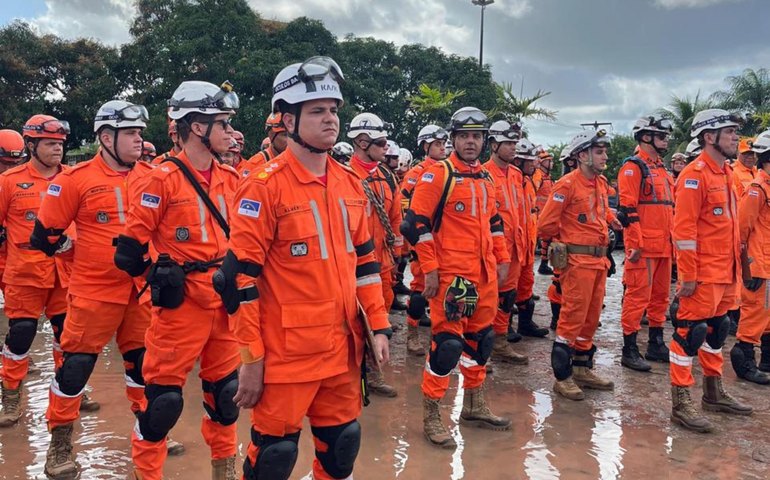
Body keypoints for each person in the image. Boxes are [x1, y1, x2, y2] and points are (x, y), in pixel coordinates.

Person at [216, 55, 390, 480]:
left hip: (343, 351)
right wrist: (250, 359)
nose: (330, 120)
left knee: (342, 448)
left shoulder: (351, 185)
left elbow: (365, 266)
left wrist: (380, 327)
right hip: (286, 357)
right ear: (287, 120)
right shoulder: (263, 187)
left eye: (333, 110)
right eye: (317, 111)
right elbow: (238, 282)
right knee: (273, 459)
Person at [114, 81, 241, 479]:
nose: (231, 132)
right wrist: (157, 282)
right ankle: (147, 474)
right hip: (181, 306)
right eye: (221, 123)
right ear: (196, 126)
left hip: (223, 302)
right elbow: (128, 252)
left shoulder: (232, 179)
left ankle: (223, 470)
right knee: (162, 404)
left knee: (225, 398)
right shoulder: (161, 178)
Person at [32, 101, 152, 477]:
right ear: (106, 137)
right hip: (93, 293)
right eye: (131, 133)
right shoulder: (74, 179)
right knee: (75, 368)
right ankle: (60, 444)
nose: (139, 140)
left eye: (140, 133)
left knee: (144, 366)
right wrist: (77, 252)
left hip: (140, 293)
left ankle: (149, 432)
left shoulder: (153, 176)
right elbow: (45, 236)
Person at [403, 106, 511, 448]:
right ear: (452, 139)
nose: (470, 142)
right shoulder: (439, 174)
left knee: (481, 343)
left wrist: (502, 258)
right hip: (454, 279)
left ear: (484, 140)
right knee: (447, 346)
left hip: (484, 275)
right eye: (464, 136)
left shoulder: (486, 178)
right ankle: (432, 413)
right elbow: (415, 224)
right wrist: (430, 269)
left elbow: (494, 222)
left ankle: (474, 405)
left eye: (476, 136)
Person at [669, 109, 752, 433]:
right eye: (729, 132)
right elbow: (684, 231)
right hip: (702, 274)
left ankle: (713, 392)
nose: (735, 137)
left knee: (717, 330)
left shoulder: (727, 174)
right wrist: (688, 276)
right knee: (689, 334)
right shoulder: (694, 175)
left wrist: (739, 268)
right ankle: (681, 402)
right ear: (709, 137)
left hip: (726, 272)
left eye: (734, 131)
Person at [0, 120, 74, 428]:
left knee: (67, 336)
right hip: (25, 274)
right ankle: (11, 394)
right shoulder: (9, 181)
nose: (57, 148)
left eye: (59, 143)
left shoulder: (73, 178)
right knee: (21, 335)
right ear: (31, 146)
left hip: (65, 275)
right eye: (48, 143)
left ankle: (69, 387)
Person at [538, 129, 621, 401]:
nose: (605, 156)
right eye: (599, 152)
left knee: (591, 318)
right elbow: (546, 224)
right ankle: (563, 377)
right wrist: (561, 244)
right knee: (572, 318)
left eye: (604, 151)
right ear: (582, 155)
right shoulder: (566, 185)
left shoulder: (598, 182)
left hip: (597, 260)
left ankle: (583, 369)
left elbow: (600, 210)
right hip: (577, 261)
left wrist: (612, 222)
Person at [347, 112, 403, 395]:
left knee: (380, 313)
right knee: (354, 319)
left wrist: (398, 250)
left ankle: (373, 371)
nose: (385, 148)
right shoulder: (342, 176)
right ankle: (354, 373)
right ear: (361, 141)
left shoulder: (388, 178)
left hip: (382, 263)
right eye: (380, 143)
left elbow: (395, 217)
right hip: (351, 265)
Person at [617, 115, 675, 372]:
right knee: (637, 297)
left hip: (664, 244)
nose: (666, 140)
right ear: (645, 137)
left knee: (661, 297)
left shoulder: (661, 168)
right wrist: (634, 246)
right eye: (661, 136)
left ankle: (655, 342)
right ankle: (629, 348)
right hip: (644, 246)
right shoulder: (633, 167)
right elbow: (627, 210)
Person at [399, 124, 448, 355]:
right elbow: (403, 202)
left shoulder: (448, 170)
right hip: (422, 237)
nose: (442, 148)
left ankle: (441, 337)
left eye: (443, 144)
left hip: (444, 240)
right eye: (437, 144)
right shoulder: (418, 172)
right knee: (420, 290)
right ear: (426, 146)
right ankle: (412, 333)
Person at [484, 120, 527, 365]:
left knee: (507, 297)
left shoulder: (517, 174)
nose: (513, 148)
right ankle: (482, 345)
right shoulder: (483, 173)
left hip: (515, 246)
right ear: (493, 144)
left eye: (514, 143)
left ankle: (500, 342)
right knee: (487, 297)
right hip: (492, 248)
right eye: (508, 143)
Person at [732, 129, 770, 385]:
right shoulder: (757, 189)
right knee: (754, 313)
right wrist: (745, 267)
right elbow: (741, 231)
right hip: (758, 264)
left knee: (767, 315)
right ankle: (744, 360)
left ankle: (766, 360)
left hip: (768, 263)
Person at [510, 138, 549, 339]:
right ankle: (503, 328)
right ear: (518, 161)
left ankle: (525, 324)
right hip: (510, 244)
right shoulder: (508, 180)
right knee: (506, 288)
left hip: (526, 242)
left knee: (526, 285)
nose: (534, 164)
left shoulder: (526, 181)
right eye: (530, 161)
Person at [534, 146, 555, 275]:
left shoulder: (548, 177)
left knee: (547, 240)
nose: (552, 163)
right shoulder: (538, 177)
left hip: (545, 215)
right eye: (549, 161)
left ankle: (543, 263)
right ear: (542, 162)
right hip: (537, 215)